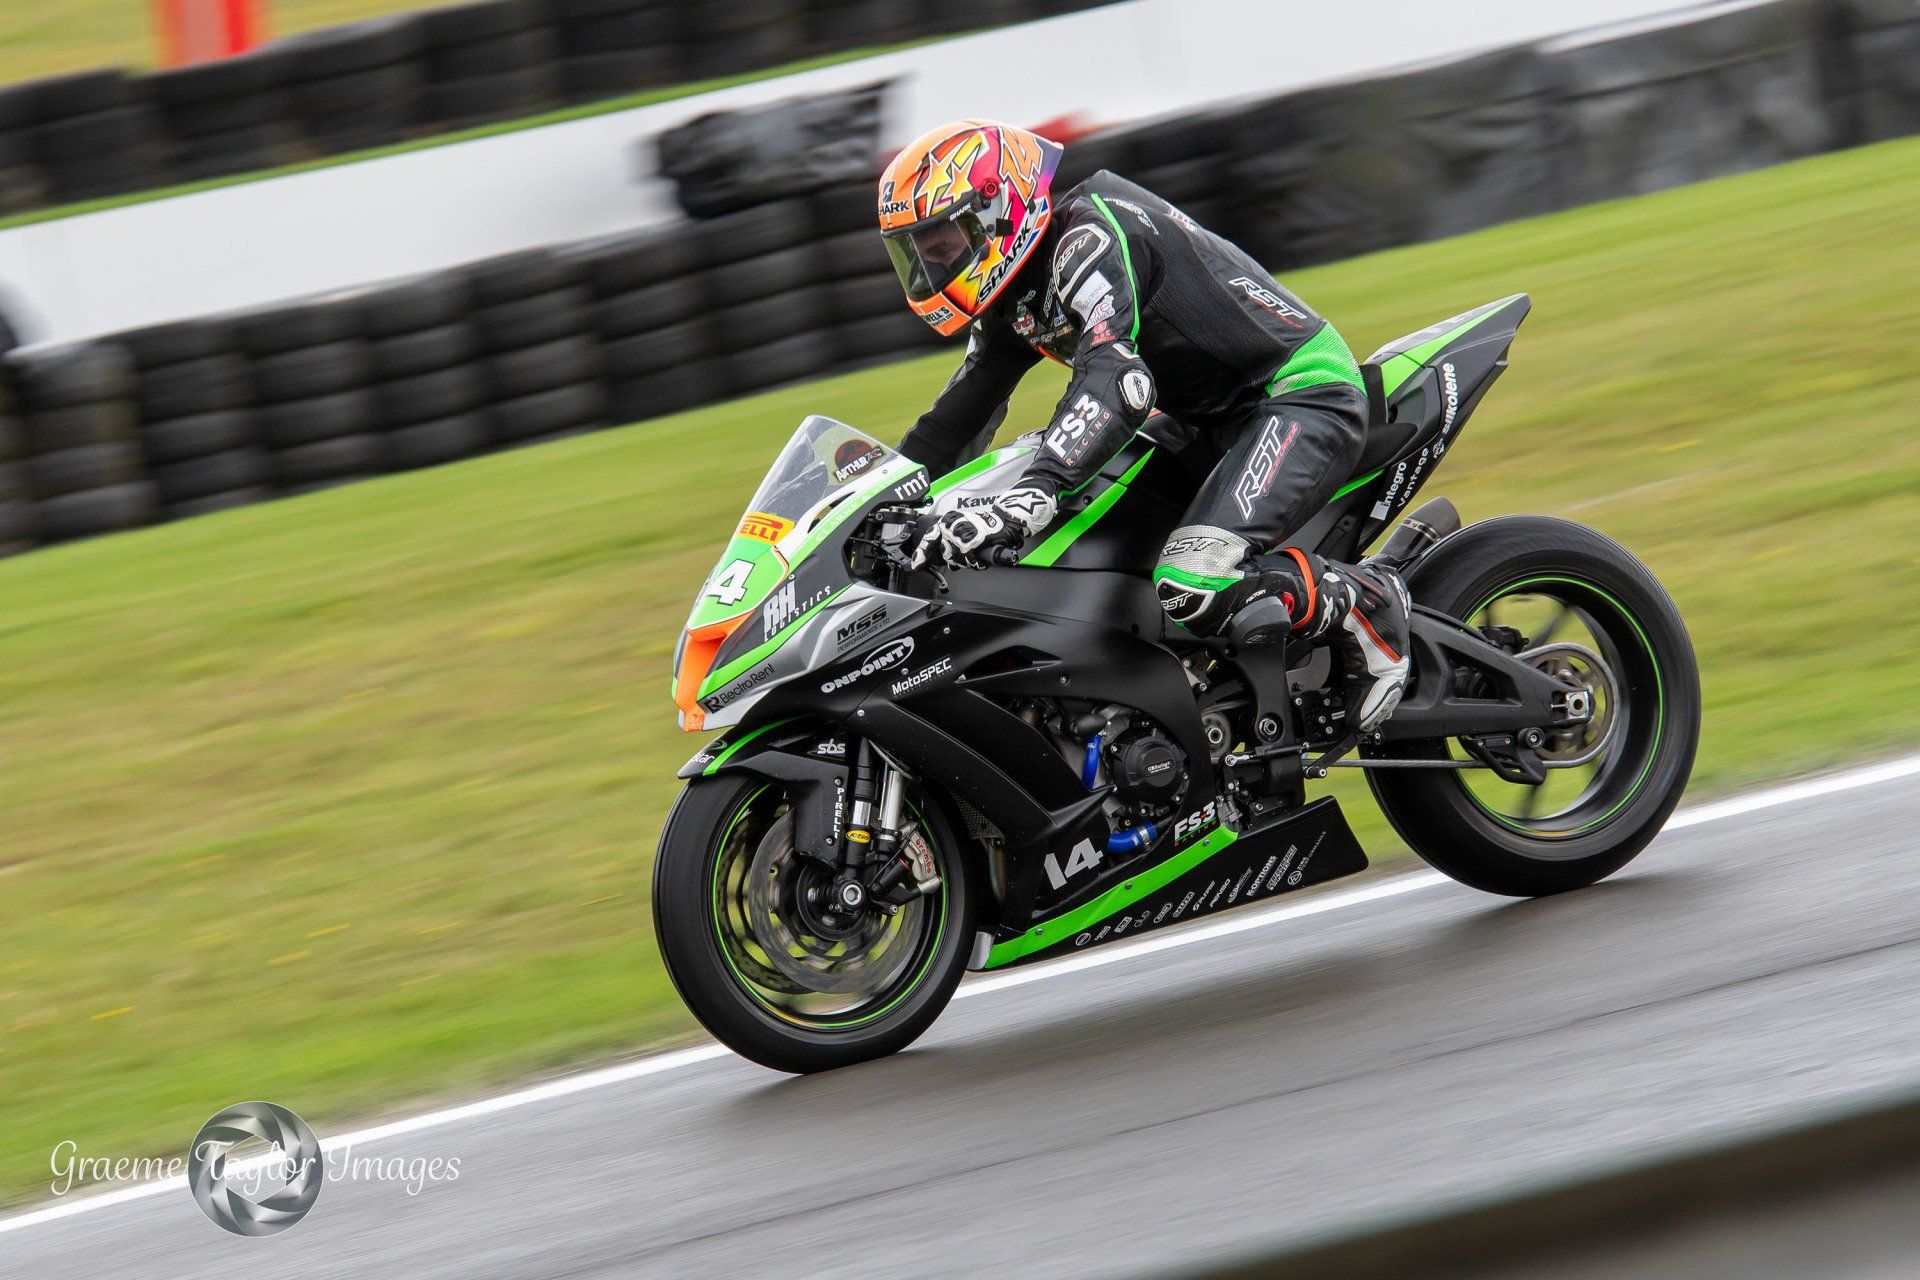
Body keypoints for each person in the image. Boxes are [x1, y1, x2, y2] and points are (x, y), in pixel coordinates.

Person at [877, 119, 1411, 733]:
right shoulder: (1015, 295)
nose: (931, 264)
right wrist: (872, 502)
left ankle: (1366, 604)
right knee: (1089, 552)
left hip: (1294, 394)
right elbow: (954, 422)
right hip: (1198, 420)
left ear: (1001, 211)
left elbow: (1118, 381)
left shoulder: (1090, 239)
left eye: (943, 243)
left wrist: (1039, 489)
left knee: (1190, 579)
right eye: (916, 251)